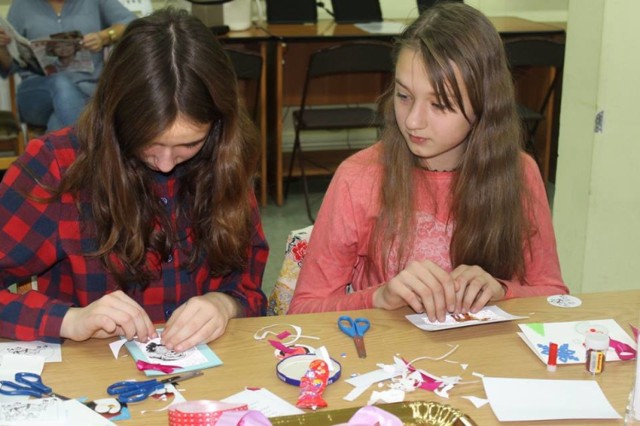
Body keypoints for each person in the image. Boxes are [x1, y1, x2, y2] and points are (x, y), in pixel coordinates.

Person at [0, 8, 268, 352]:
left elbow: (249, 286)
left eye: (189, 144)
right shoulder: (55, 166)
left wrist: (224, 304)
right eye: (149, 142)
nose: (167, 163)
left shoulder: (225, 157)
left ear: (218, 128)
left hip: (205, 386)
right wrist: (70, 320)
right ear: (116, 117)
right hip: (91, 386)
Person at [288, 2, 568, 320]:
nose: (413, 122)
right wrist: (379, 297)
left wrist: (503, 291)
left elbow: (554, 297)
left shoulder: (521, 173)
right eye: (404, 96)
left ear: (485, 105)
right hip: (390, 359)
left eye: (440, 104)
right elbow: (304, 308)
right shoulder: (359, 177)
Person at [0, 0, 136, 132]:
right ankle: (85, 149)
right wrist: (2, 47)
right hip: (36, 96)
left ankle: (62, 152)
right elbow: (10, 66)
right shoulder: (21, 4)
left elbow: (133, 23)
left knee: (60, 120)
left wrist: (104, 37)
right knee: (61, 84)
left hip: (89, 92)